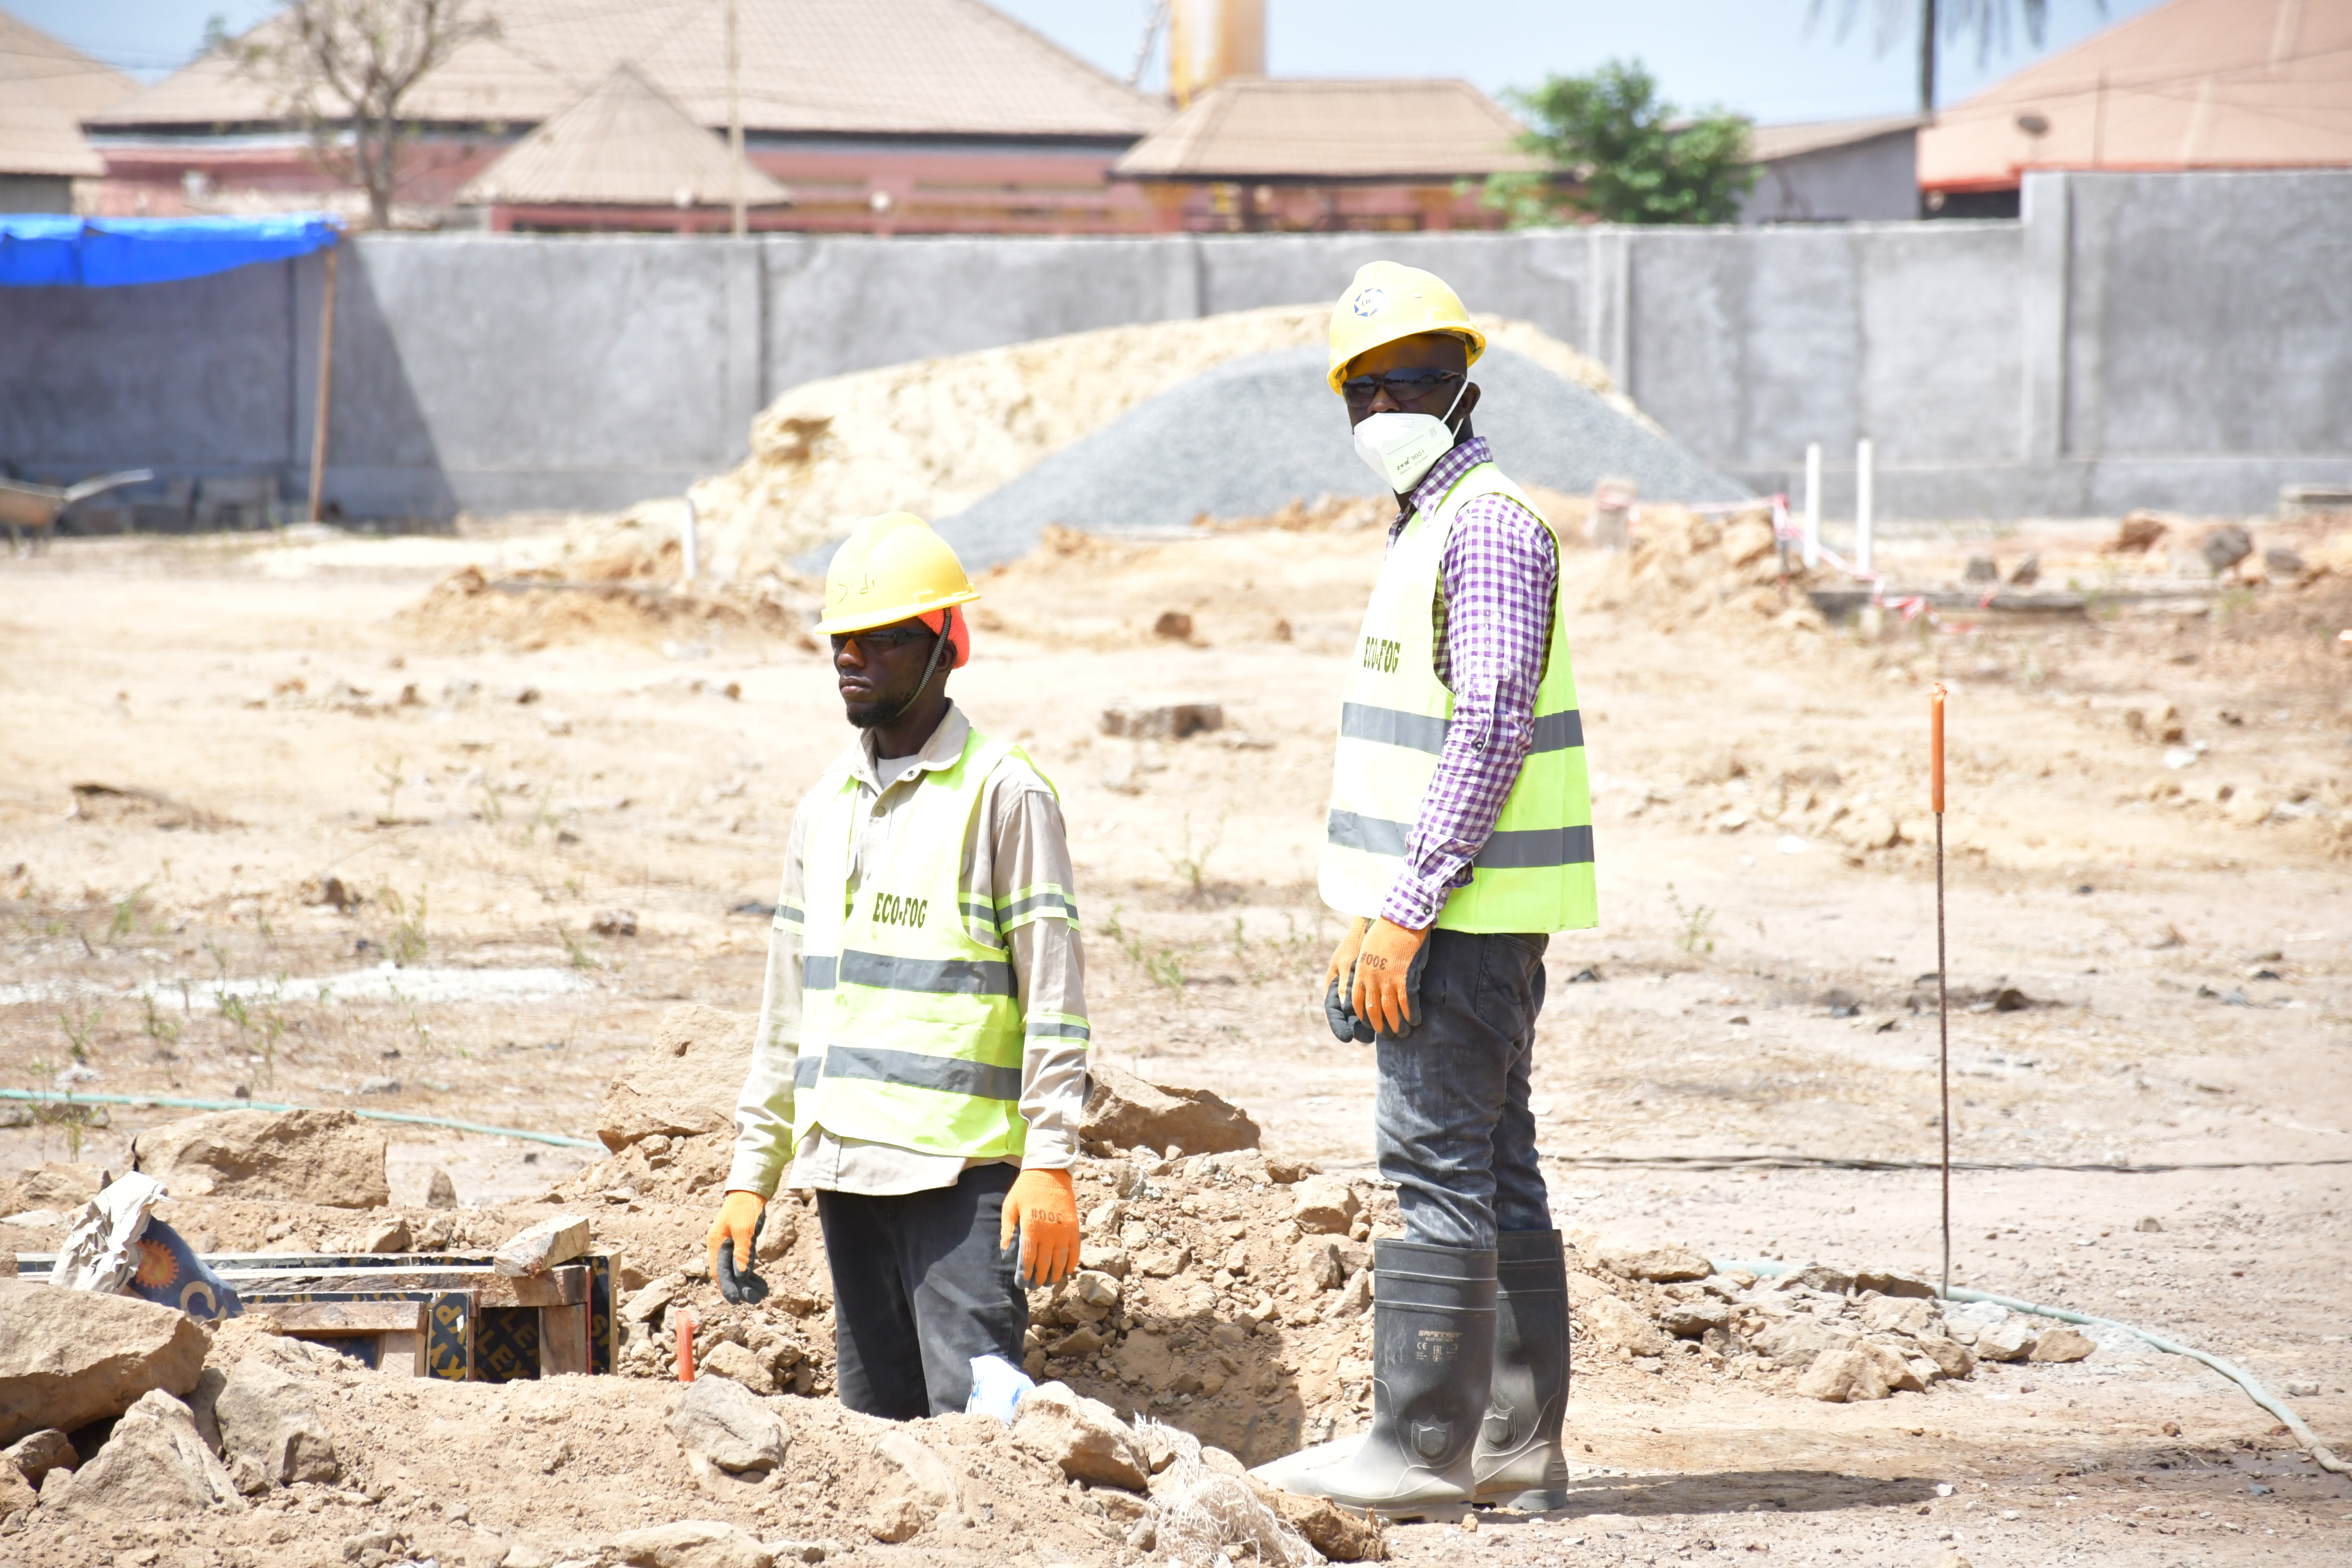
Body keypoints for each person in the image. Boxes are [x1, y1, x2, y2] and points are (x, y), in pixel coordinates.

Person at [1252, 262, 1597, 1516]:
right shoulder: (1431, 524)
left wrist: (1407, 913)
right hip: (1451, 911)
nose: (1383, 406)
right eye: (1363, 388)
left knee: (1438, 1164)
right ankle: (1511, 1444)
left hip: (1457, 921)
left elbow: (1492, 724)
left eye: (1408, 381)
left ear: (1462, 387)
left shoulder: (1485, 525)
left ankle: (1421, 1446)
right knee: (1495, 1162)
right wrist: (1375, 908)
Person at [705, 512, 1089, 1418]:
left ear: (947, 645)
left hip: (960, 1180)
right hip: (845, 1172)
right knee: (875, 1440)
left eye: (881, 639)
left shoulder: (1004, 794)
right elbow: (789, 1011)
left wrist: (1051, 1161)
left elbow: (1055, 999)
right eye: (842, 639)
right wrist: (751, 1174)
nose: (852, 656)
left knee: (978, 1432)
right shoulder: (824, 809)